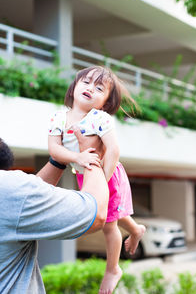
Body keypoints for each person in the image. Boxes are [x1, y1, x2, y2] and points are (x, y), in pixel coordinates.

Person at [48, 66, 146, 294]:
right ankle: (136, 229)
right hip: (85, 174)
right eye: (86, 82)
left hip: (107, 173)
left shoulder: (99, 118)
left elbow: (113, 149)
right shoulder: (58, 117)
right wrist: (77, 157)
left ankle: (113, 269)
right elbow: (54, 149)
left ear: (104, 102)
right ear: (74, 87)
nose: (90, 88)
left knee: (109, 224)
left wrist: (104, 178)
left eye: (99, 87)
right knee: (113, 214)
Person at [0, 134, 109, 294]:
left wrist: (59, 160)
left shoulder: (12, 195)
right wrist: (91, 152)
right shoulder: (9, 189)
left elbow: (23, 208)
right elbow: (96, 212)